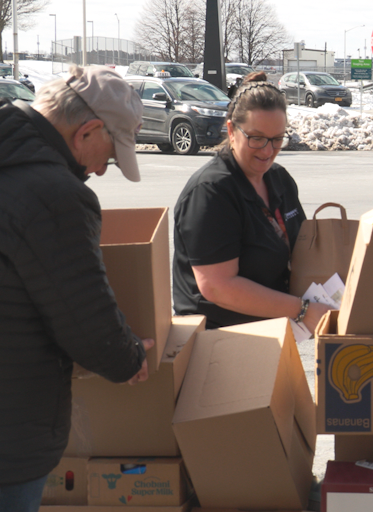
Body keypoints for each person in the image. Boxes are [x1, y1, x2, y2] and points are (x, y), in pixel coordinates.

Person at [0, 65, 154, 512]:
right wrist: (130, 356)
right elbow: (88, 323)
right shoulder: (54, 194)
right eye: (109, 155)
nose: (102, 171)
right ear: (86, 132)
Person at [172, 72, 330, 331]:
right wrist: (301, 310)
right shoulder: (211, 191)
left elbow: (302, 251)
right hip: (219, 341)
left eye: (277, 139)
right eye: (256, 138)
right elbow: (217, 286)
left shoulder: (278, 179)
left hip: (272, 334)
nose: (268, 151)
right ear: (232, 130)